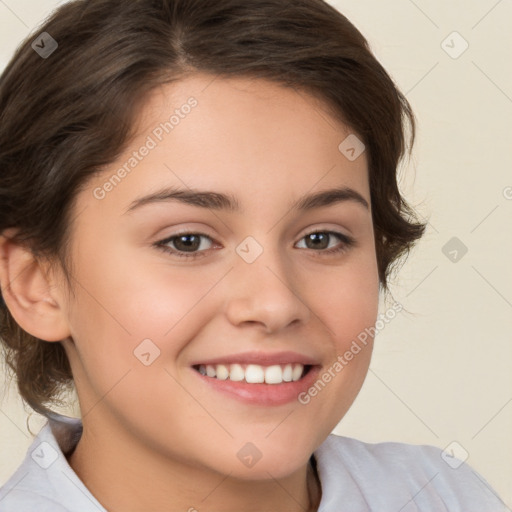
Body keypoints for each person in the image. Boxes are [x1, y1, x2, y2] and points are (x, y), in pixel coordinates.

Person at [0, 0, 506, 510]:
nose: (274, 303)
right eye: (187, 241)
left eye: (321, 238)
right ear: (35, 282)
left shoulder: (444, 495)